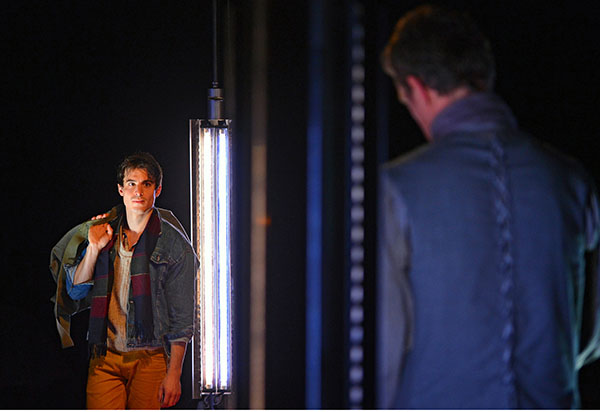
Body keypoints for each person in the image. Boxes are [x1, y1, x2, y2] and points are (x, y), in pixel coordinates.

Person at [376, 5, 600, 409]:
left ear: (417, 88)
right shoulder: (571, 179)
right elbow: (587, 334)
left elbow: (385, 350)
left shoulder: (395, 189)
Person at [50, 152, 197, 409]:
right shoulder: (104, 231)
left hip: (150, 356)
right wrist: (94, 248)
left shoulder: (175, 245)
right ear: (121, 189)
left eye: (146, 184)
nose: (138, 191)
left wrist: (174, 374)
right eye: (131, 183)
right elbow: (75, 291)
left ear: (157, 190)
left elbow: (183, 319)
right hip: (105, 356)